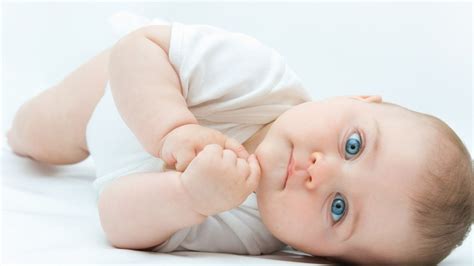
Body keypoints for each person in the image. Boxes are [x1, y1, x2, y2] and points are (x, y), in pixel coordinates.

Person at [6, 18, 472, 265]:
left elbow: (114, 216)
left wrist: (188, 197)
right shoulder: (258, 80)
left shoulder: (254, 234)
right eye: (353, 145)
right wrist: (173, 130)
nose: (320, 171)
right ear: (357, 99)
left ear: (317, 255)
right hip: (114, 94)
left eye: (338, 208)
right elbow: (139, 47)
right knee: (31, 136)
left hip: (116, 161)